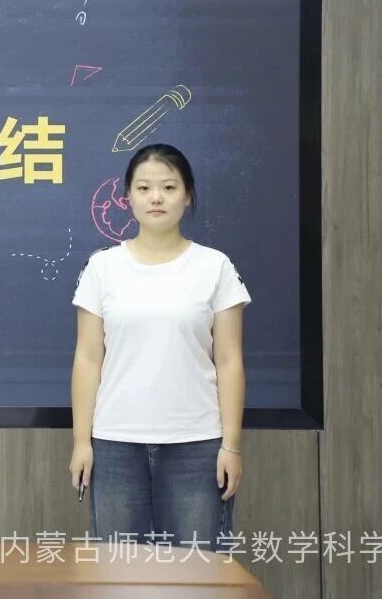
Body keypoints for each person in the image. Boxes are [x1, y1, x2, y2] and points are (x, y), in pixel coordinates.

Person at [68, 143, 250, 552]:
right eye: (144, 188)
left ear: (187, 195)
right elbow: (88, 358)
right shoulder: (102, 267)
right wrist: (82, 442)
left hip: (197, 444)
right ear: (127, 197)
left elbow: (229, 360)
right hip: (115, 443)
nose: (156, 198)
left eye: (168, 187)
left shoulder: (214, 267)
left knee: (196, 573)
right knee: (117, 572)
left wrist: (231, 445)